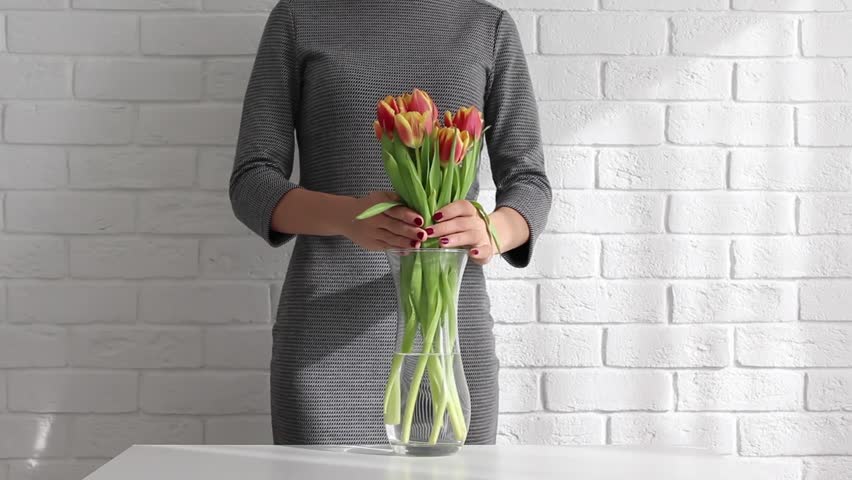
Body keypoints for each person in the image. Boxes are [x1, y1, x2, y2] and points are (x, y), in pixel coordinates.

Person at [229, 0, 551, 445]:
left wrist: (492, 230)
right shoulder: (300, 17)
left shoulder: (486, 26)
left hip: (453, 343)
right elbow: (253, 181)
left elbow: (530, 183)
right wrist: (350, 217)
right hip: (327, 348)